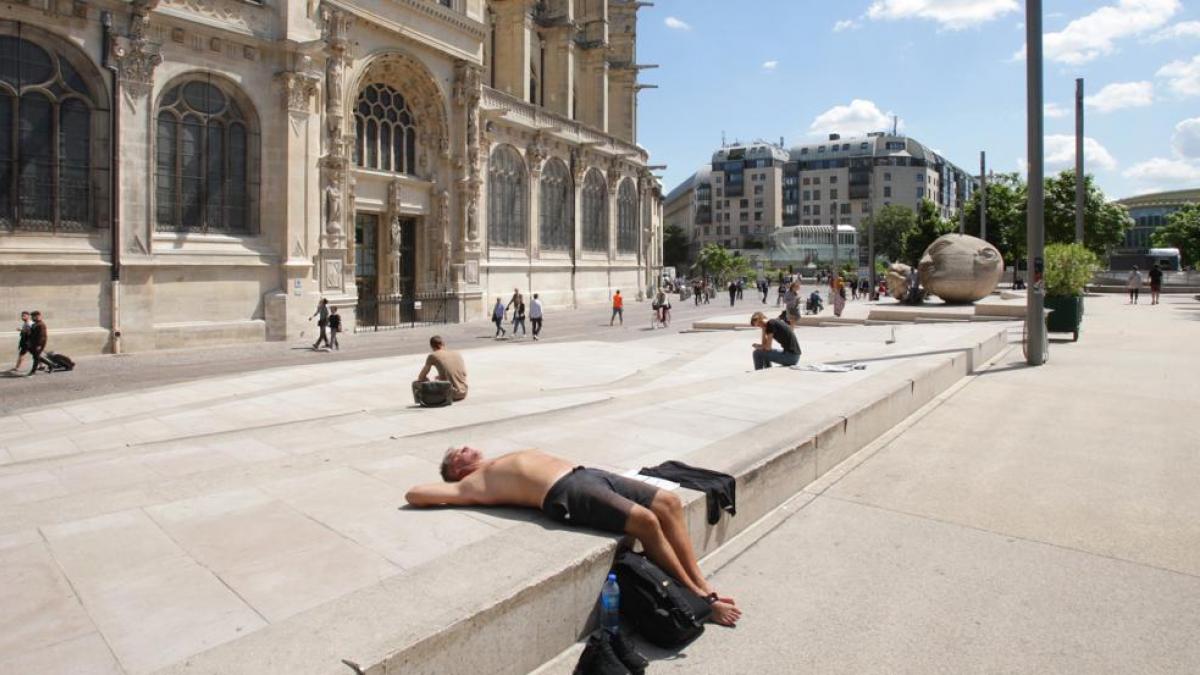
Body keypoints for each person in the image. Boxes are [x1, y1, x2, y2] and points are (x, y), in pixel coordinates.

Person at [406, 448, 741, 626]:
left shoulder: (496, 461)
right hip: (565, 492)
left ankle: (702, 582)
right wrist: (450, 487)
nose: (465, 448)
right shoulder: (470, 485)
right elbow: (414, 493)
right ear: (457, 471)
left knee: (669, 502)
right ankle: (699, 598)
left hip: (587, 474)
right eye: (457, 454)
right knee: (645, 522)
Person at [413, 335, 468, 401]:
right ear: (443, 344)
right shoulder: (456, 353)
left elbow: (421, 377)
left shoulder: (433, 355)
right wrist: (442, 376)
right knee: (439, 380)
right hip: (464, 392)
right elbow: (462, 373)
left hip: (451, 394)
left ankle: (425, 401)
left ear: (432, 346)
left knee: (417, 383)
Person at [25, 311, 51, 377]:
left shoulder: (41, 325)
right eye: (32, 316)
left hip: (38, 344)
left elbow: (42, 336)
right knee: (36, 356)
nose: (32, 318)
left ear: (38, 316)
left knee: (36, 358)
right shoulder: (35, 324)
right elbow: (32, 334)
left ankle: (33, 371)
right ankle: (50, 365)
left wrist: (39, 345)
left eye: (33, 316)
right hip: (33, 343)